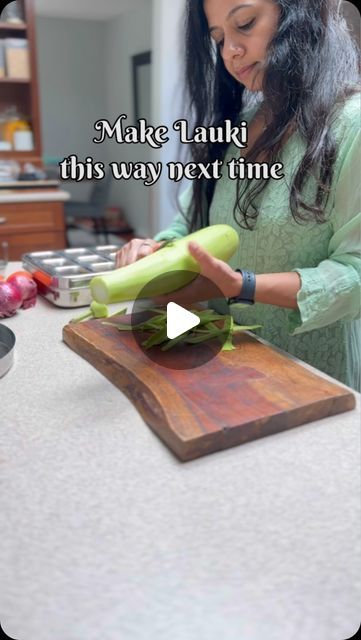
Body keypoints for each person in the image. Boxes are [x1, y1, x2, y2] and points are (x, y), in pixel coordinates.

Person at [115, 0, 361, 391]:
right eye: (218, 39)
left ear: (300, 13)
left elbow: (355, 275)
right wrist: (156, 250)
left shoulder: (352, 125)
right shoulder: (234, 128)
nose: (230, 51)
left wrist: (242, 286)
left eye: (245, 24)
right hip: (219, 363)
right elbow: (189, 223)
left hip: (310, 376)